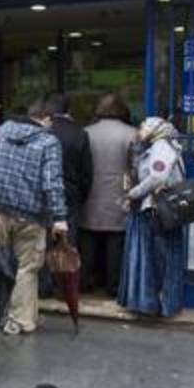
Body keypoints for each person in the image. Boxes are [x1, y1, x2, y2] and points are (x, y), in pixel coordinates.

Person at [0, 98, 69, 336]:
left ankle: (0, 314)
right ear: (46, 118)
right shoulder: (49, 141)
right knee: (28, 267)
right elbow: (52, 182)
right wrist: (59, 216)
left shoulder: (2, 131)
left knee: (1, 264)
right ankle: (21, 320)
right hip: (31, 215)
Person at [119, 116, 188, 317]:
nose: (138, 132)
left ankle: (160, 304)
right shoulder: (163, 144)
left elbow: (157, 176)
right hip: (160, 208)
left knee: (160, 258)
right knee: (162, 256)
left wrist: (133, 193)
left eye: (142, 127)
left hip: (159, 209)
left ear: (153, 128)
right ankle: (161, 303)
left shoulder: (162, 147)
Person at [81, 94, 135, 296]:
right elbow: (136, 166)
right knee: (115, 242)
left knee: (87, 240)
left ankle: (84, 283)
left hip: (91, 194)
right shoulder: (131, 133)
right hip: (118, 194)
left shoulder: (86, 132)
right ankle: (113, 287)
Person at [45, 93, 93, 244]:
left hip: (44, 191)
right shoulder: (79, 133)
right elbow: (87, 172)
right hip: (70, 191)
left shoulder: (42, 130)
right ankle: (65, 265)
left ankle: (47, 266)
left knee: (45, 237)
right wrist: (81, 195)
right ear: (68, 110)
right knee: (69, 240)